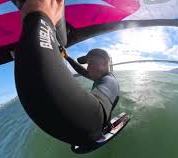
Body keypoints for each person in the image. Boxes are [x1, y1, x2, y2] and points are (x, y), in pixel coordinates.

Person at [14, 0, 119, 146]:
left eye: (91, 63)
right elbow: (81, 71)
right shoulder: (100, 78)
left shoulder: (110, 80)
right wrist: (67, 58)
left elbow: (92, 120)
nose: (88, 68)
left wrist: (39, 16)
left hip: (96, 122)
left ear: (104, 62)